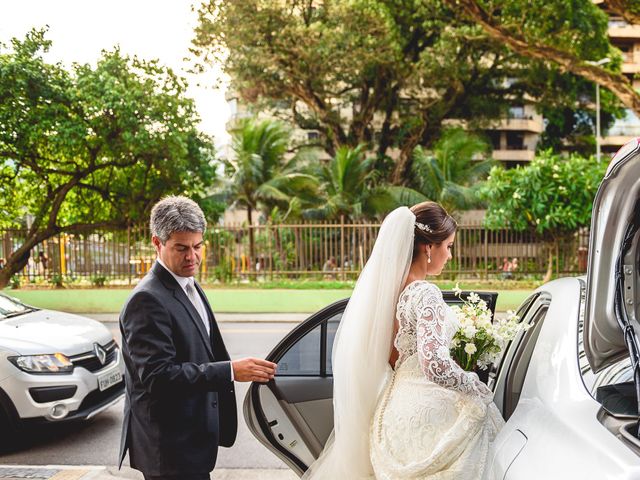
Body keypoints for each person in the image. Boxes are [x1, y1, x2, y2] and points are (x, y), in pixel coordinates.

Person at [303, 201, 503, 479]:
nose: (450, 255)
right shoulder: (425, 293)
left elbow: (391, 356)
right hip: (432, 412)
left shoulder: (387, 295)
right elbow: (434, 364)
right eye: (449, 246)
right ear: (429, 248)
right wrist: (475, 386)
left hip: (394, 410)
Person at [118, 196, 277, 480]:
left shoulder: (188, 283)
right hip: (168, 450)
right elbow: (158, 377)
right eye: (181, 248)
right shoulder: (146, 300)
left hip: (191, 443)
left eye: (197, 246)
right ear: (157, 243)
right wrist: (230, 371)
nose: (192, 257)